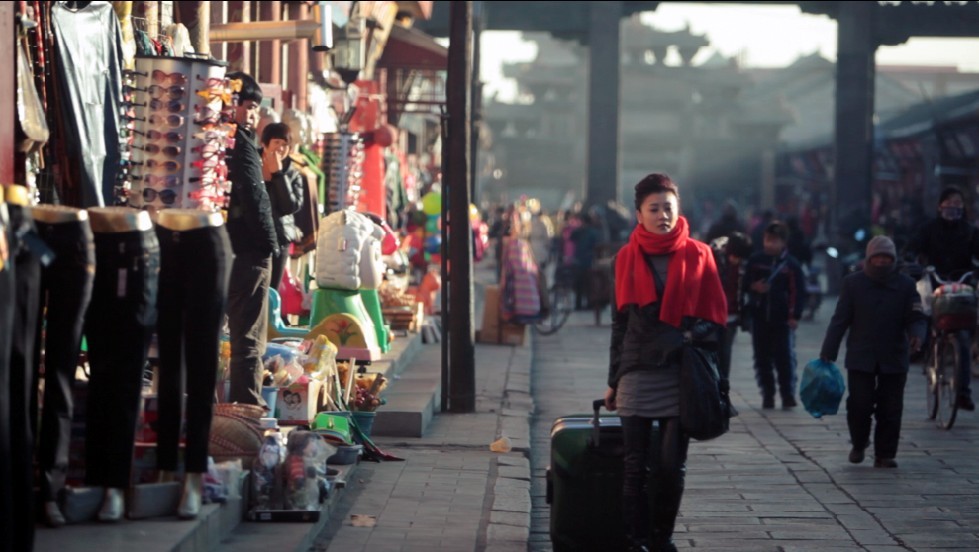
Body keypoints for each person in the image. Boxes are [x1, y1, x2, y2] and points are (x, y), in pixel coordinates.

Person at [604, 173, 727, 552]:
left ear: (679, 210)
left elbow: (716, 319)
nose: (662, 215)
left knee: (671, 469)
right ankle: (635, 541)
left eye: (668, 208)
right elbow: (620, 323)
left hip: (680, 373)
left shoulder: (700, 254)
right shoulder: (625, 258)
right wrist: (612, 379)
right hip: (637, 370)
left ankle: (662, 539)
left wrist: (689, 338)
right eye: (653, 208)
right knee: (633, 466)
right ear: (639, 214)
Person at [819, 235, 926, 468]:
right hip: (861, 355)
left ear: (893, 259)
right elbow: (840, 320)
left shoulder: (906, 285)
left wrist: (917, 334)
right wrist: (829, 350)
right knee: (859, 405)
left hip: (894, 356)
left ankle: (885, 454)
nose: (881, 262)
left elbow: (916, 316)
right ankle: (859, 443)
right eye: (877, 257)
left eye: (886, 258)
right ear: (869, 258)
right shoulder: (853, 284)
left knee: (891, 407)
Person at [225, 71, 280, 407]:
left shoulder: (222, 138)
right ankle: (248, 410)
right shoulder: (240, 143)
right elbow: (253, 197)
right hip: (248, 250)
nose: (252, 114)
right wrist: (269, 243)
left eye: (256, 108)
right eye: (248, 105)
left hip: (226, 248)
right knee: (248, 338)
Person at [906, 185, 979, 411]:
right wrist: (912, 262)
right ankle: (928, 352)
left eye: (958, 203)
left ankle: (963, 393)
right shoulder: (929, 229)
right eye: (949, 202)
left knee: (963, 338)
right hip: (935, 283)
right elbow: (912, 248)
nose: (953, 207)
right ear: (940, 206)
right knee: (931, 321)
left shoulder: (969, 231)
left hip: (961, 288)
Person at [744, 221, 807, 409]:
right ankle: (768, 395)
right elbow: (746, 282)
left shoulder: (791, 265)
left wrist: (794, 315)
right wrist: (754, 287)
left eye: (774, 241)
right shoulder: (756, 261)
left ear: (783, 242)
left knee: (784, 358)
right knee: (761, 358)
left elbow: (798, 291)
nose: (770, 244)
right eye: (767, 239)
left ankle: (787, 395)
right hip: (760, 317)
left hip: (782, 320)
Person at [260, 122, 305, 294]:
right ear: (265, 143)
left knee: (271, 291)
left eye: (285, 144)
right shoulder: (252, 164)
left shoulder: (292, 173)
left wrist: (279, 175)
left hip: (279, 238)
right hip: (251, 236)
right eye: (276, 142)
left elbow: (290, 207)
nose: (281, 148)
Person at [710, 231, 753, 381]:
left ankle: (723, 386)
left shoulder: (743, 264)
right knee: (712, 351)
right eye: (735, 256)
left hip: (732, 314)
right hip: (713, 313)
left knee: (726, 352)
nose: (736, 260)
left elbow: (744, 289)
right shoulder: (713, 255)